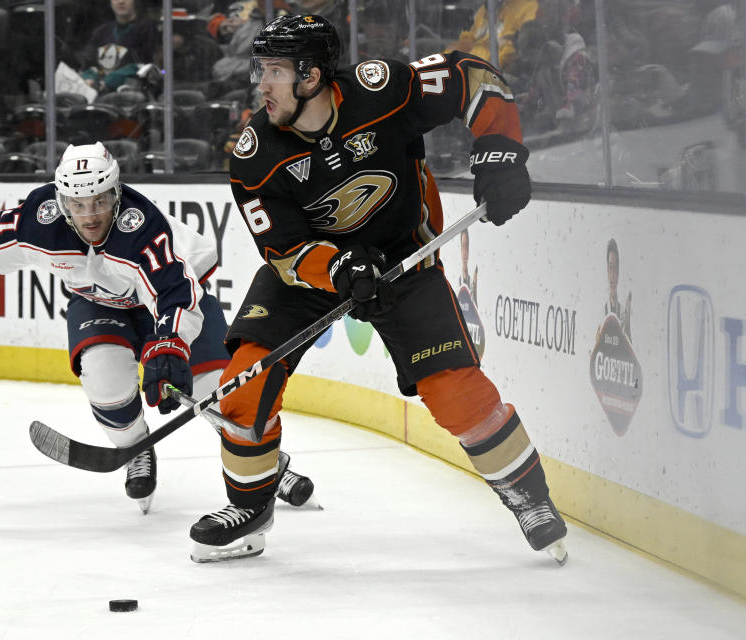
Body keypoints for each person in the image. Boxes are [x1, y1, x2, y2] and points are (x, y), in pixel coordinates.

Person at [189, 14, 567, 564]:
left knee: (458, 396)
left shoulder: (381, 89)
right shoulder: (255, 154)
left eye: (273, 71)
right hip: (314, 271)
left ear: (312, 75)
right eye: (260, 70)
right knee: (243, 390)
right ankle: (250, 509)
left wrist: (499, 149)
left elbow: (473, 75)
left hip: (403, 259)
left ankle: (529, 498)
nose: (260, 85)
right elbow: (285, 252)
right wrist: (340, 267)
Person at [0, 141, 316, 515]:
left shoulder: (141, 229)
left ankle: (267, 466)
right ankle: (137, 447)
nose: (90, 215)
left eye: (99, 201)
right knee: (104, 381)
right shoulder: (39, 219)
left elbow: (174, 292)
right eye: (78, 205)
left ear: (115, 194)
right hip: (98, 303)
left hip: (174, 302)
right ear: (62, 201)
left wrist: (169, 344)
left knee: (217, 393)